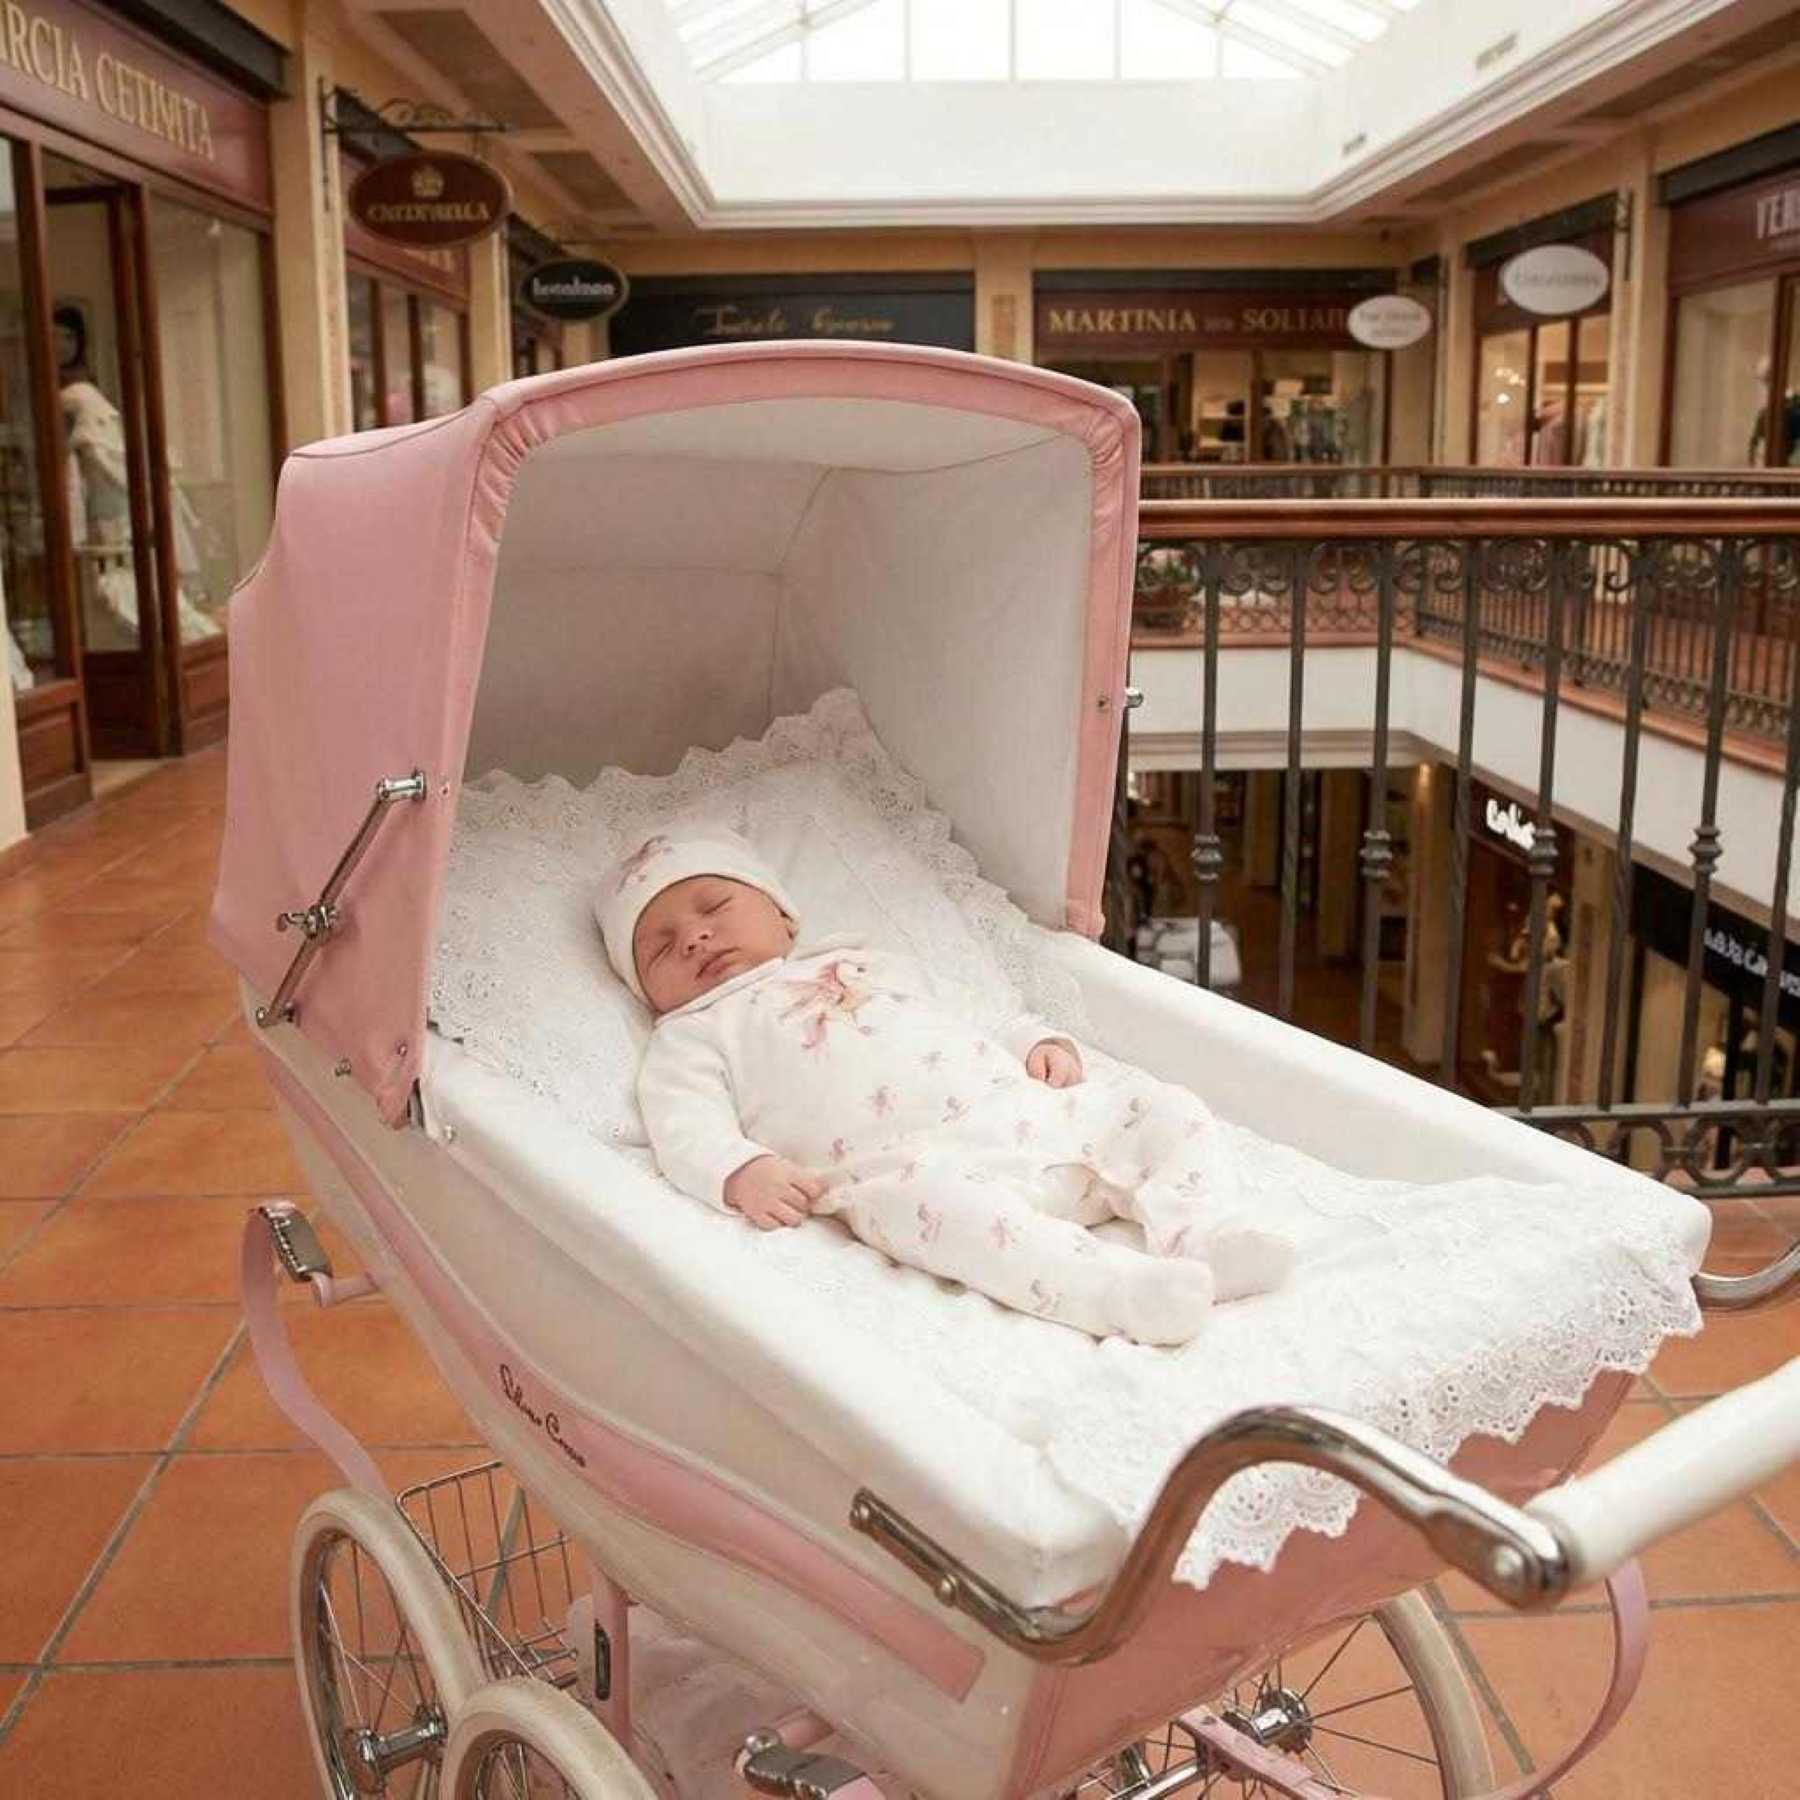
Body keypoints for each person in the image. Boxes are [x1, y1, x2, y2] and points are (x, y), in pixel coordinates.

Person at [598, 830, 1293, 1346]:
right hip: (917, 1172)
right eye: (659, 946)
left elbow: (972, 1008)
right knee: (959, 1225)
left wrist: (1034, 1041)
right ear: (646, 992)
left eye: (714, 906)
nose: (694, 938)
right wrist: (739, 1170)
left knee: (1160, 1108)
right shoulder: (689, 1037)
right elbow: (684, 1128)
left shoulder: (861, 957)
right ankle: (1119, 1293)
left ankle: (1200, 1232)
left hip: (1032, 1119)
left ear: (783, 916)